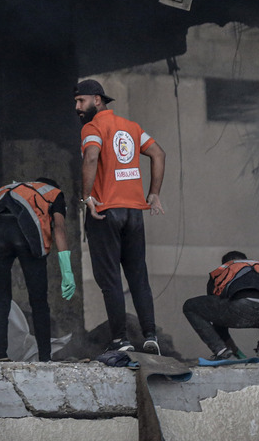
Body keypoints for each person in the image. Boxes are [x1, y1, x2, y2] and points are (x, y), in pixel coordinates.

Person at [75, 78, 166, 354]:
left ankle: (121, 340)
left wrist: (86, 197)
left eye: (81, 101)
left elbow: (91, 158)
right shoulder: (131, 127)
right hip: (134, 213)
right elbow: (158, 154)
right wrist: (154, 193)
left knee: (111, 279)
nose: (77, 107)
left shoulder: (93, 128)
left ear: (98, 100)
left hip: (105, 211)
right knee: (138, 276)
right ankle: (150, 335)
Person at [0, 178, 75, 361]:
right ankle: (45, 357)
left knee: (0, 301)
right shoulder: (54, 193)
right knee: (39, 302)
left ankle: (1, 356)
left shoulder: (8, 188)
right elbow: (59, 228)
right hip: (25, 234)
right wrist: (67, 269)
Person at [182, 251, 259, 362]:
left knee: (190, 306)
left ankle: (222, 352)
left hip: (243, 308)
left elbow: (217, 321)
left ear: (225, 263)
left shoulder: (225, 269)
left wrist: (232, 351)